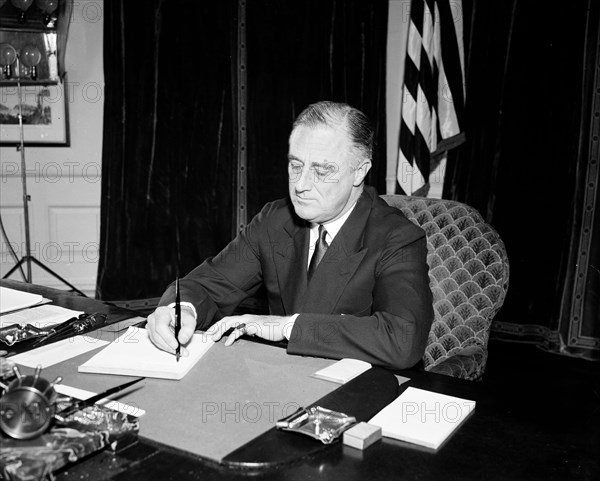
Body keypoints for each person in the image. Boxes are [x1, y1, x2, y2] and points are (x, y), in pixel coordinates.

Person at [147, 101, 433, 370]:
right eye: (296, 166)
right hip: (279, 378)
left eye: (321, 171)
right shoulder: (275, 220)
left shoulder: (397, 237)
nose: (301, 185)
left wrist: (287, 326)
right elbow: (210, 284)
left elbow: (402, 339)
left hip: (355, 395)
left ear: (360, 172)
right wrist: (179, 310)